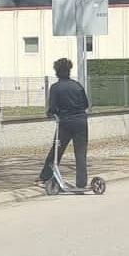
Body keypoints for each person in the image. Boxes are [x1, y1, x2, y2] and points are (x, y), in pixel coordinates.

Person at [39, 57, 90, 190]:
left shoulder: (55, 88)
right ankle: (81, 183)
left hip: (65, 123)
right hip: (81, 122)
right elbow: (85, 104)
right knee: (80, 153)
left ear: (56, 71)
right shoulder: (77, 85)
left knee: (56, 150)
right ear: (69, 70)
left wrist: (51, 114)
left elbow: (52, 108)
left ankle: (45, 176)